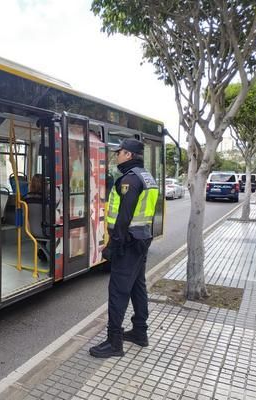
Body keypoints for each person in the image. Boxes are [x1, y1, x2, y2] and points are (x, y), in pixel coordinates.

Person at [89, 138, 159, 358]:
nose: (116, 155)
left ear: (128, 155)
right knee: (138, 286)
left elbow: (124, 217)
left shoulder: (129, 180)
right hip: (141, 239)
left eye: (119, 152)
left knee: (118, 291)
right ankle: (139, 332)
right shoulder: (147, 177)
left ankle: (114, 343)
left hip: (128, 242)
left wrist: (113, 246)